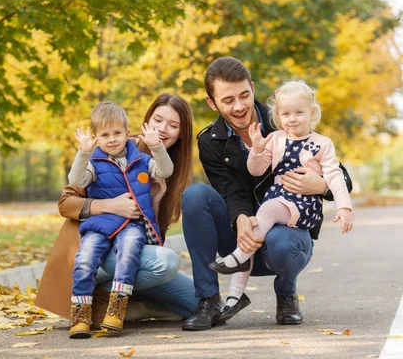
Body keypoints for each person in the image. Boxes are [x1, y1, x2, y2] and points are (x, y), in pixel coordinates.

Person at [181, 57, 353, 331]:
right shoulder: (209, 141)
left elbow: (342, 177)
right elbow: (230, 191)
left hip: (284, 238)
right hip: (241, 242)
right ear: (212, 103)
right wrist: (241, 218)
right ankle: (208, 300)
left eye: (244, 95)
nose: (239, 106)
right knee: (195, 196)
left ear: (252, 87)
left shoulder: (286, 117)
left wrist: (319, 185)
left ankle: (286, 293)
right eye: (227, 100)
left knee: (282, 242)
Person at [35, 94, 199, 335]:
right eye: (158, 120)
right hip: (98, 242)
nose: (163, 129)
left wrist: (154, 202)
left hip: (132, 242)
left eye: (173, 125)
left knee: (196, 304)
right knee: (166, 262)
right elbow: (66, 202)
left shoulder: (159, 164)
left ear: (182, 133)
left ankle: (135, 308)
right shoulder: (109, 149)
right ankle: (94, 296)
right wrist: (110, 205)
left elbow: (152, 235)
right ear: (145, 121)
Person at [66, 101, 174, 337]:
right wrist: (83, 152)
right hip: (100, 226)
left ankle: (118, 306)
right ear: (96, 138)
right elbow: (76, 180)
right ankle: (81, 313)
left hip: (131, 225)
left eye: (117, 133)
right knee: (85, 258)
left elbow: (165, 171)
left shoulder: (142, 161)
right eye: (105, 135)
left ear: (127, 132)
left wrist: (156, 147)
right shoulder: (94, 164)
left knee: (129, 252)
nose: (112, 139)